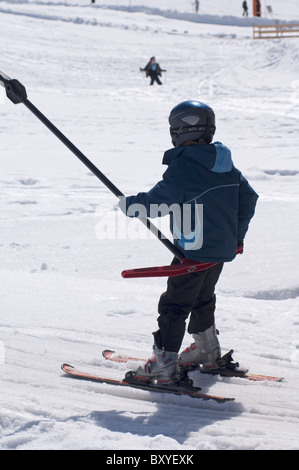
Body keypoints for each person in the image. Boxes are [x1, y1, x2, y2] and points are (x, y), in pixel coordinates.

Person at [119, 101, 258, 383]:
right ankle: (206, 350)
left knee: (174, 305)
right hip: (219, 252)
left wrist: (132, 205)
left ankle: (164, 364)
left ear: (181, 130)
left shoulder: (186, 165)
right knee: (203, 297)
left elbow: (157, 202)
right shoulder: (225, 163)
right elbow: (249, 198)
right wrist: (236, 236)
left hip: (192, 254)